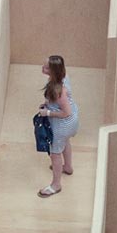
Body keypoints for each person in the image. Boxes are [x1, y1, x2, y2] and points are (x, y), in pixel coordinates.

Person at [37, 55, 79, 198]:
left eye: (47, 67)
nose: (43, 68)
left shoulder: (59, 91)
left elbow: (66, 112)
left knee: (55, 154)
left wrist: (47, 112)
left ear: (54, 71)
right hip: (72, 122)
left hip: (62, 125)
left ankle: (56, 185)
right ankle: (67, 167)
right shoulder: (63, 76)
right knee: (66, 142)